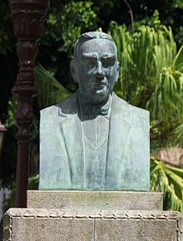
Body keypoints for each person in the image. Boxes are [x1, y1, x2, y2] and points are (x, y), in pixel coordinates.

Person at [39, 31, 150, 191]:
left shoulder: (139, 121)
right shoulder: (50, 120)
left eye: (107, 63)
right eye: (90, 63)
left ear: (117, 71)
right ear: (73, 70)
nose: (99, 71)